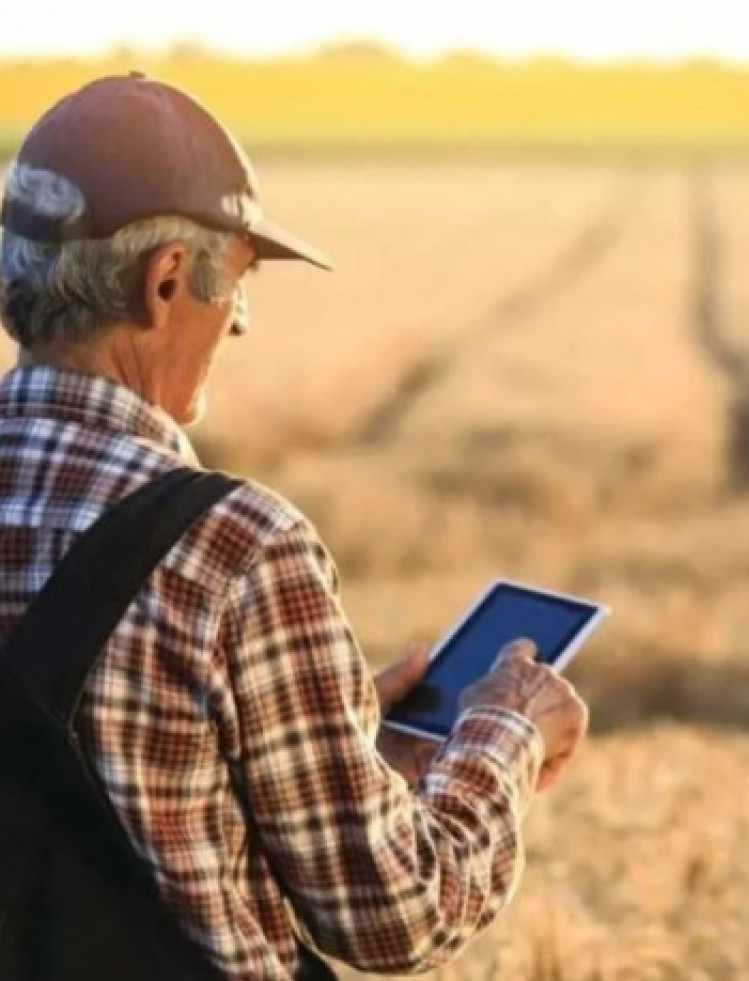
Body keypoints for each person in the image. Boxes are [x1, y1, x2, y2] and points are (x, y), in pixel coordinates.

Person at [0, 74, 589, 978]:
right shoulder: (236, 548)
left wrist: (334, 736)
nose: (238, 323)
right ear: (164, 283)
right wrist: (502, 733)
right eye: (236, 285)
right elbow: (396, 914)